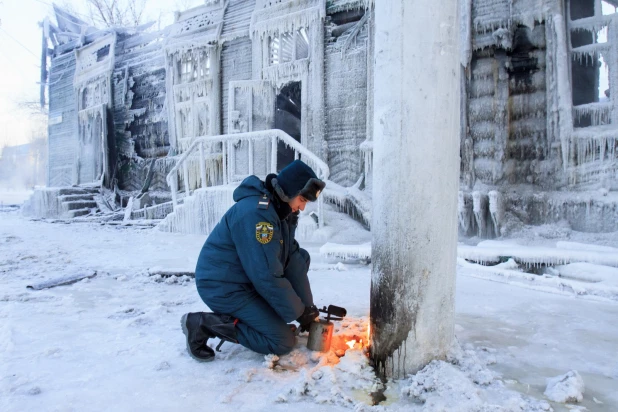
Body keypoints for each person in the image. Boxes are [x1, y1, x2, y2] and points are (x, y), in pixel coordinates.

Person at [181, 160, 326, 362]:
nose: (302, 207)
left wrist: (307, 309)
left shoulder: (282, 210)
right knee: (282, 341)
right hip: (223, 286)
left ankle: (264, 318)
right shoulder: (257, 214)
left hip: (247, 279)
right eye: (302, 199)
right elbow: (267, 275)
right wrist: (299, 312)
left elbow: (292, 259)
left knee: (302, 258)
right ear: (289, 192)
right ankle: (201, 324)